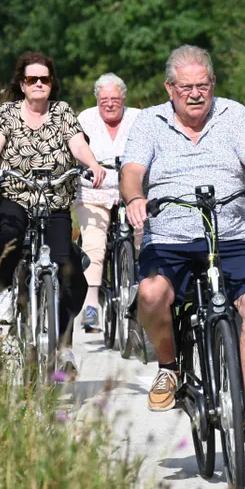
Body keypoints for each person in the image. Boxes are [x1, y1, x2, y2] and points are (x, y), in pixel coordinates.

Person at [121, 45, 245, 440]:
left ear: (213, 83)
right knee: (151, 293)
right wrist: (134, 198)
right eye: (186, 88)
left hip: (229, 233)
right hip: (170, 235)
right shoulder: (149, 121)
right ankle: (169, 368)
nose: (195, 94)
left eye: (203, 86)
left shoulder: (234, 113)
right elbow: (132, 172)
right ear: (170, 88)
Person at [0, 51, 105, 376]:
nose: (38, 84)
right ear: (22, 84)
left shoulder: (62, 112)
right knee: (10, 234)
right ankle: (4, 294)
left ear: (51, 83)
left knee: (66, 267)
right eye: (32, 79)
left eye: (44, 79)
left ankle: (64, 345)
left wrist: (92, 162)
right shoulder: (7, 113)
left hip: (54, 199)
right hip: (15, 195)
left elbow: (77, 144)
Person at [75, 73, 141, 332]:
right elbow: (74, 149)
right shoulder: (85, 119)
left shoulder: (138, 118)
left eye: (115, 99)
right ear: (97, 99)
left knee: (143, 237)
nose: (110, 104)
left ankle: (142, 295)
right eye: (104, 100)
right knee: (94, 244)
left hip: (131, 193)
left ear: (123, 98)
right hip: (94, 193)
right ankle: (91, 306)